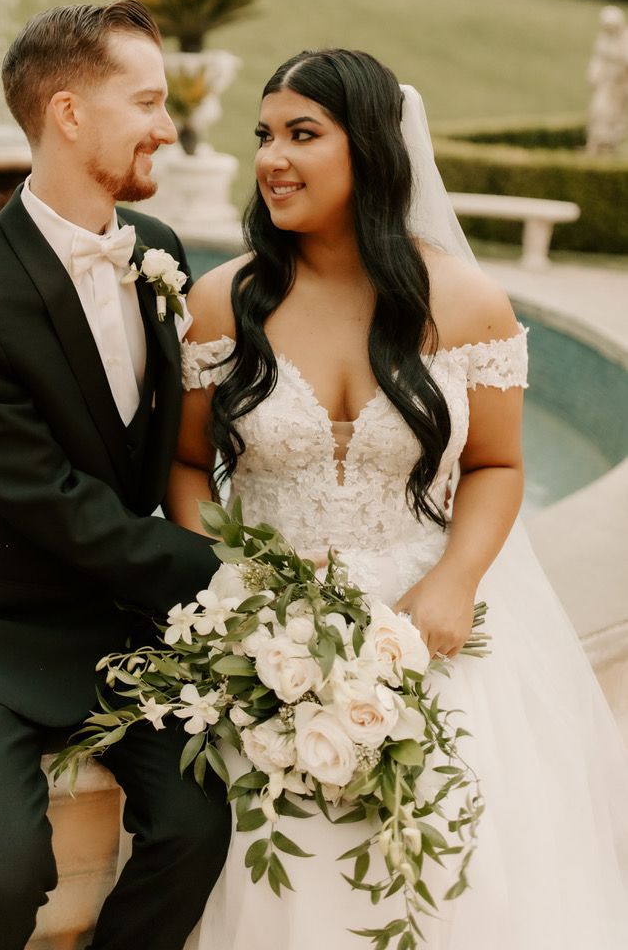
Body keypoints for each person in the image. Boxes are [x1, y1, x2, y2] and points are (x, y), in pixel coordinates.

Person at [168, 48, 628, 948]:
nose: (271, 158)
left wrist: (456, 580)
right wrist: (229, 590)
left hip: (429, 624)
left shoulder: (468, 304)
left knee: (459, 870)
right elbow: (185, 466)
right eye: (264, 134)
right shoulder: (225, 302)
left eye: (303, 134)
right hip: (261, 630)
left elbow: (496, 466)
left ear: (371, 149)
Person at [0, 1, 231, 950]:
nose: (168, 124)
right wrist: (226, 581)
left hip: (119, 625)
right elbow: (43, 500)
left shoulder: (157, 251)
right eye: (146, 101)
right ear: (68, 114)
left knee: (199, 827)